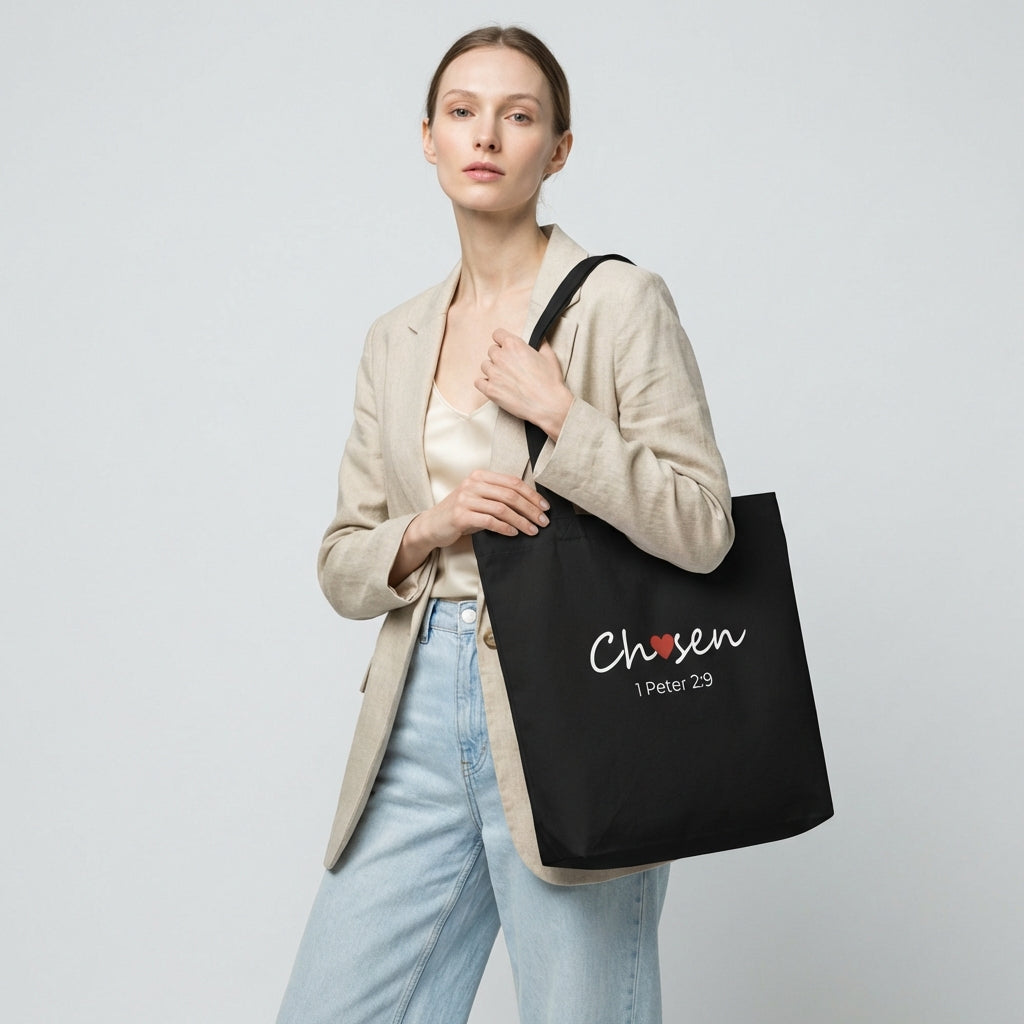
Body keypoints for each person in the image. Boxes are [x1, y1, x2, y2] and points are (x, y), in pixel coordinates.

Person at [277, 25, 733, 1024]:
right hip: (419, 700)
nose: (487, 135)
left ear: (557, 148)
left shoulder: (618, 303)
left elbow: (703, 527)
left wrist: (563, 416)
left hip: (573, 700)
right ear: (429, 139)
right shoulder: (394, 336)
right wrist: (433, 522)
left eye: (518, 115)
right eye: (462, 111)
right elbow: (342, 561)